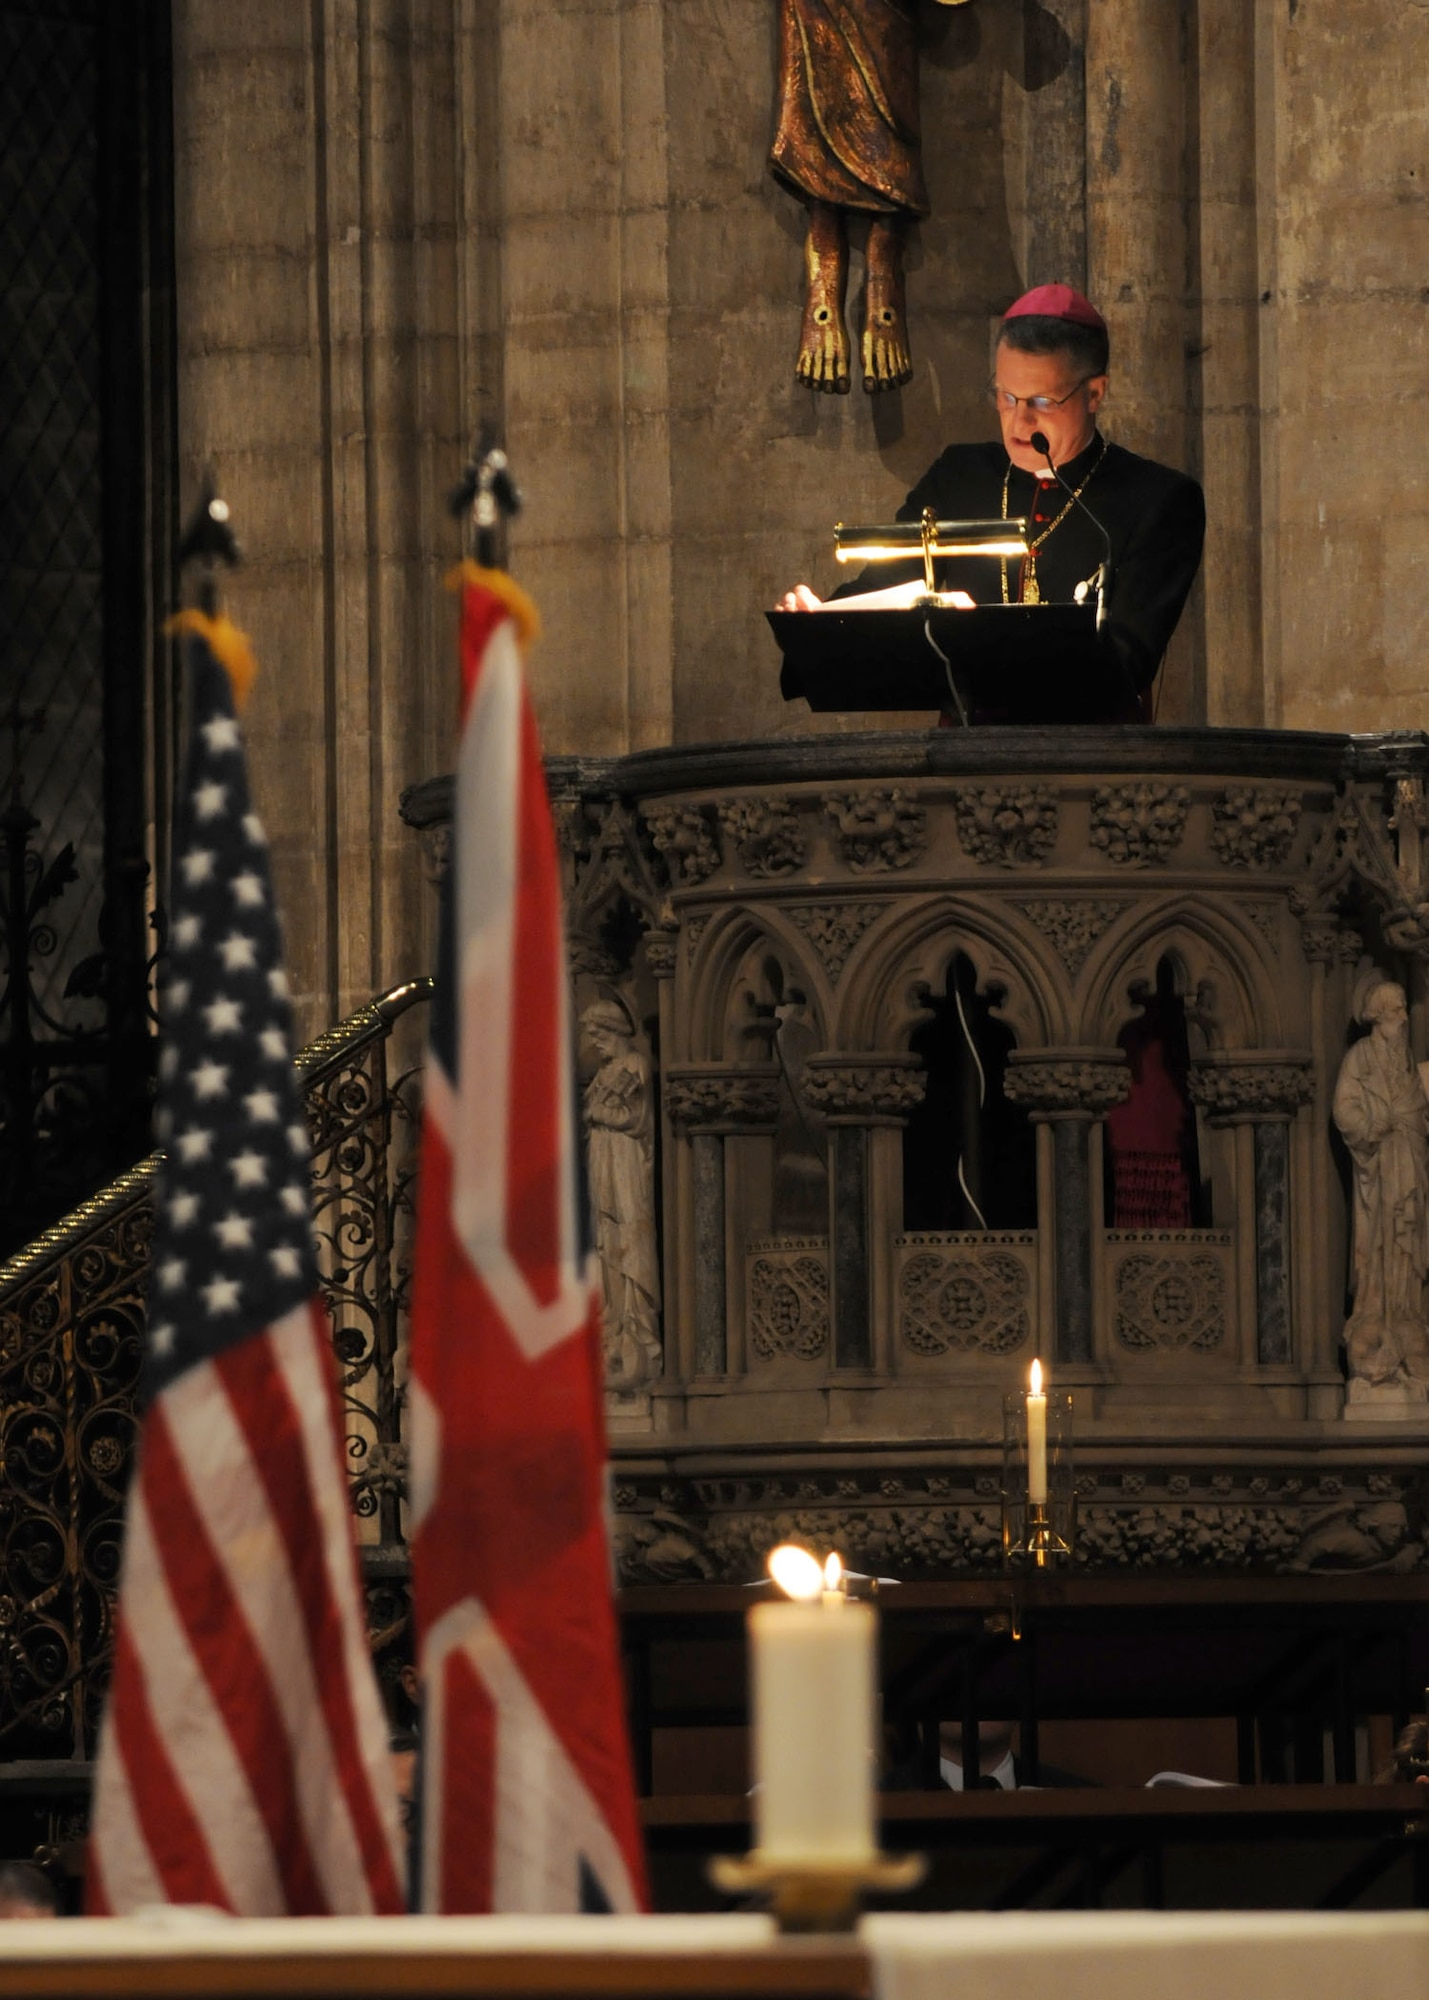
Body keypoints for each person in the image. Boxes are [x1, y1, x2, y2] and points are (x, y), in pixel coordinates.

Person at [777, 283, 1206, 718]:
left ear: (1094, 393)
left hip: (1093, 766)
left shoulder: (1159, 499)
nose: (1020, 420)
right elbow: (881, 592)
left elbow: (1126, 661)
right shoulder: (959, 477)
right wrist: (817, 623)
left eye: (1042, 400)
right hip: (965, 759)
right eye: (1006, 396)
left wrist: (972, 633)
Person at [1332, 979, 1429, 1390]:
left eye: (1407, 1009)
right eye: (1398, 1010)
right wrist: (1376, 1124)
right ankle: (1375, 1327)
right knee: (1378, 1249)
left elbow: (1417, 1106)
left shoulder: (1405, 1059)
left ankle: (1408, 1325)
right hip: (1379, 1171)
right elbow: (1344, 1109)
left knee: (1408, 1252)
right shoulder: (1360, 1057)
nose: (1405, 1018)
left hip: (1409, 1162)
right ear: (1379, 1014)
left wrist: (1412, 1120)